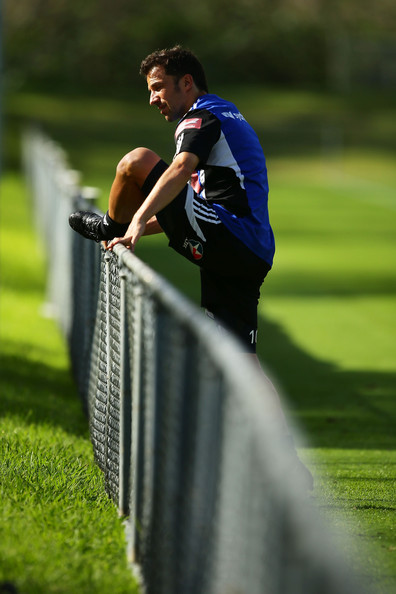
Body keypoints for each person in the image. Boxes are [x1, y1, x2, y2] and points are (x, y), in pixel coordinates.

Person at [69, 45, 313, 489]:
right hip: (248, 251)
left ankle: (110, 222)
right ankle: (289, 467)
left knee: (136, 161)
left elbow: (180, 167)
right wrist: (144, 227)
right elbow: (196, 208)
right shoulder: (227, 113)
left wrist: (134, 223)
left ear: (187, 83)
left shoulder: (203, 115)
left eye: (158, 87)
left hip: (232, 238)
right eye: (150, 90)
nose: (153, 98)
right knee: (243, 361)